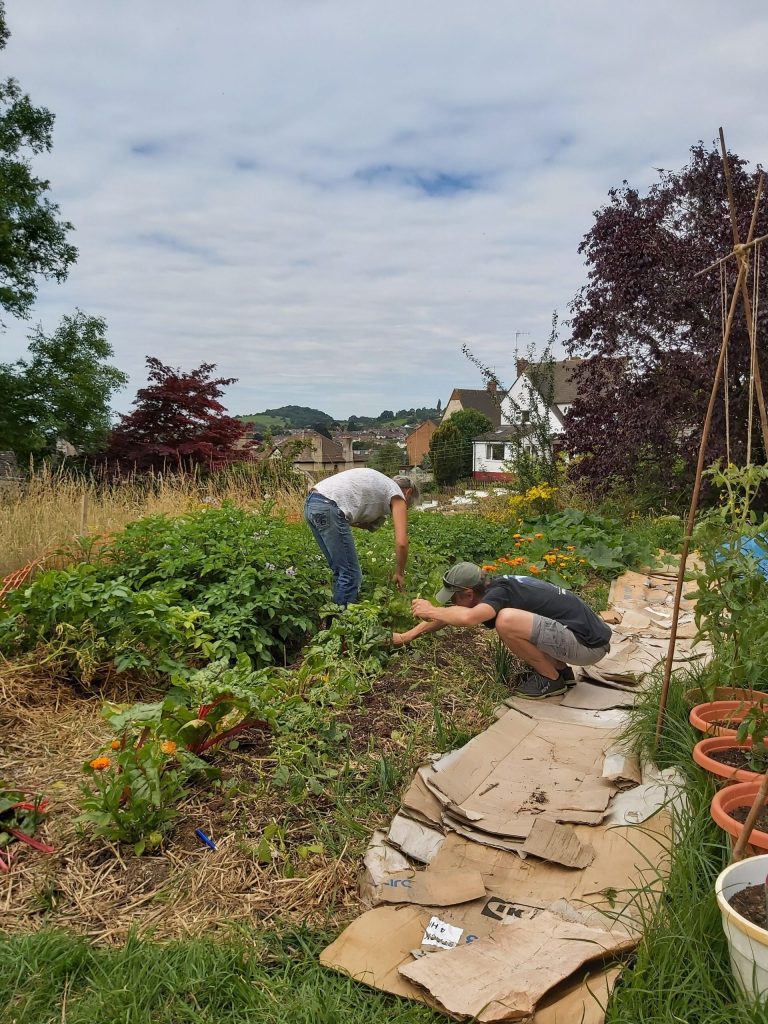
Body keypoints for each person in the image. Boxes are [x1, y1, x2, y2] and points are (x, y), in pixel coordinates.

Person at [392, 561, 611, 699]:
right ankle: (562, 673)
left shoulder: (497, 597)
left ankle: (550, 680)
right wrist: (406, 636)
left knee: (506, 621)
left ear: (468, 593)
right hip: (583, 638)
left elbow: (467, 618)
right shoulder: (496, 588)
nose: (452, 603)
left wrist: (432, 610)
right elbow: (453, 615)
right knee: (514, 621)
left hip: (588, 647)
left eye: (454, 597)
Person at [304, 468, 419, 606]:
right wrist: (399, 573)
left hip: (312, 503)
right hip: (329, 506)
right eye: (408, 506)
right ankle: (340, 624)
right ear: (408, 492)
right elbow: (401, 542)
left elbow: (362, 519)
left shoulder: (382, 485)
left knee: (342, 572)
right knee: (351, 575)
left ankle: (332, 619)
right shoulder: (397, 494)